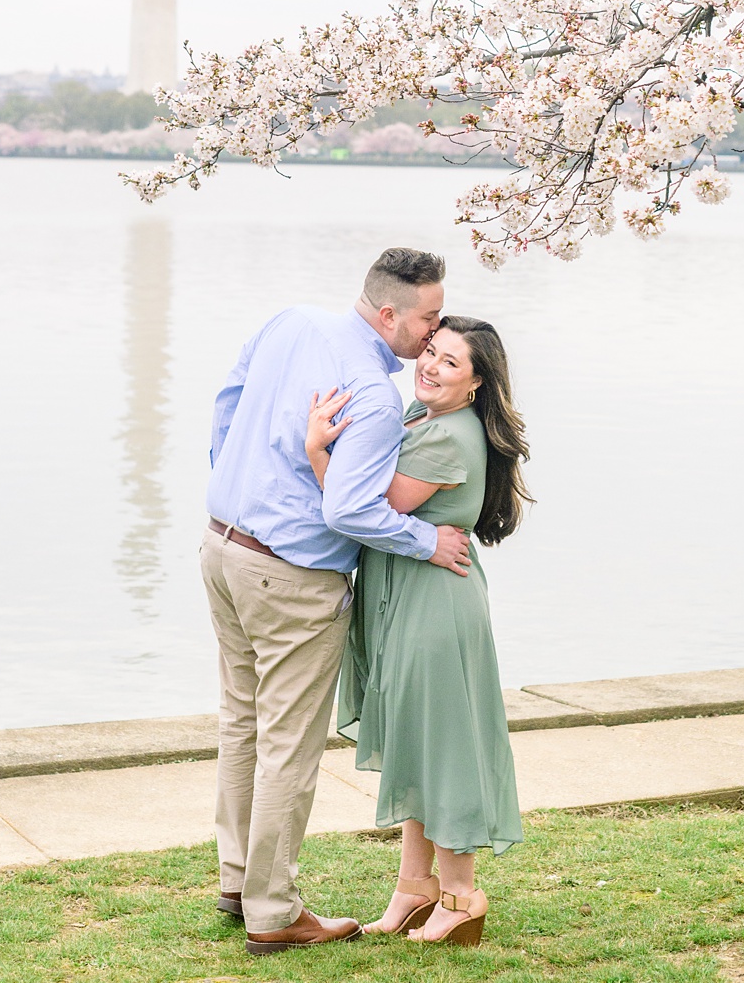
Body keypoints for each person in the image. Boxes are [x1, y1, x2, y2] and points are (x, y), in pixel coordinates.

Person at [201, 246, 474, 957]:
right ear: (389, 314)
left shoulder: (291, 322)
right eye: (428, 319)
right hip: (291, 577)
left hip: (223, 546)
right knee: (288, 745)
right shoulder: (376, 396)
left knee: (242, 723)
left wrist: (241, 481)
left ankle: (237, 881)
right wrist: (425, 541)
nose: (432, 333)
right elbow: (352, 510)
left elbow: (226, 403)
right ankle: (271, 910)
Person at [307, 313, 529, 947]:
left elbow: (361, 508)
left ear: (477, 384)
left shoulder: (446, 437)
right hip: (411, 592)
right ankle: (414, 889)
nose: (430, 365)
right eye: (430, 349)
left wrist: (316, 452)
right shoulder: (421, 418)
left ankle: (461, 895)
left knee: (443, 749)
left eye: (450, 362)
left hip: (434, 606)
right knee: (418, 741)